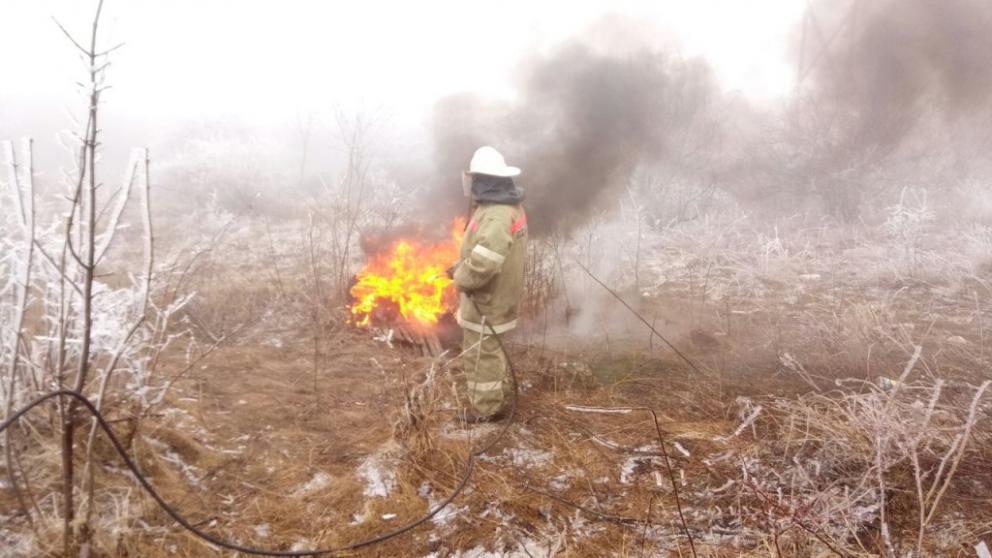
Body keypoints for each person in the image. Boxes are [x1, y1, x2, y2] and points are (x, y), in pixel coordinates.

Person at [451, 146, 528, 423]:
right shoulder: (502, 207)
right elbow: (484, 252)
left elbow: (485, 262)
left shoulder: (495, 214)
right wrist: (459, 267)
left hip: (487, 300)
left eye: (475, 179)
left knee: (480, 355)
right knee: (491, 352)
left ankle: (486, 411)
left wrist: (461, 278)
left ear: (484, 179)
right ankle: (498, 395)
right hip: (495, 297)